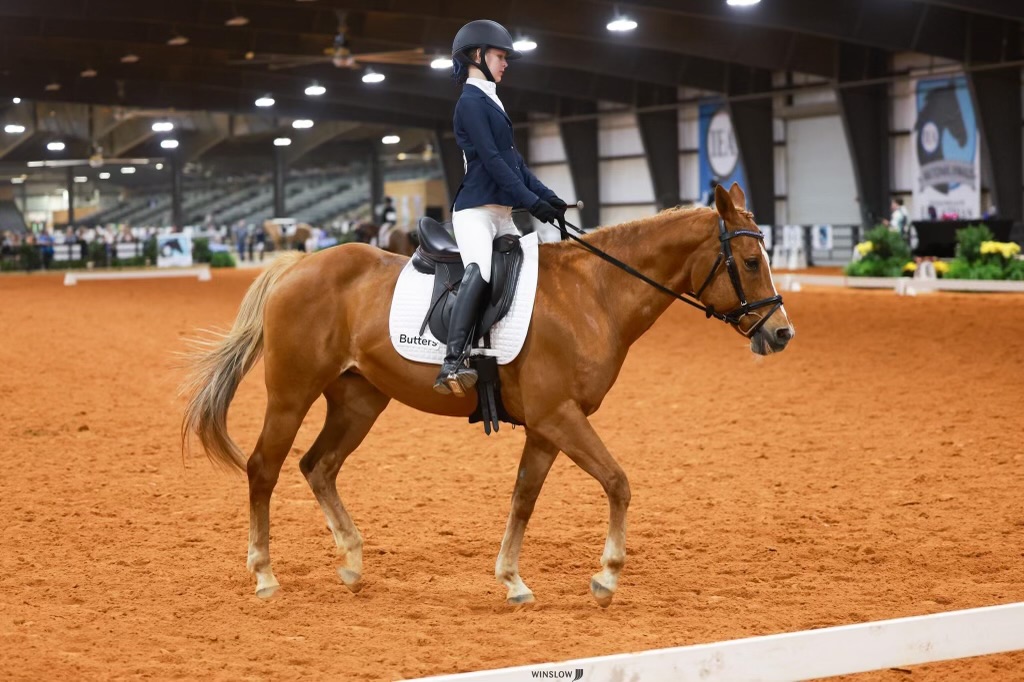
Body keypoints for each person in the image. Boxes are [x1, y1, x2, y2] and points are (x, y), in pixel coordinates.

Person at [434, 19, 568, 396]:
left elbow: (515, 163)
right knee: (483, 273)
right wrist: (531, 203)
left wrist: (548, 198)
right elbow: (492, 162)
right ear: (477, 56)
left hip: (502, 214)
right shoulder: (470, 102)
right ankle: (452, 361)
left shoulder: (492, 98)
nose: (505, 63)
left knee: (530, 271)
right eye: (499, 56)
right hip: (475, 211)